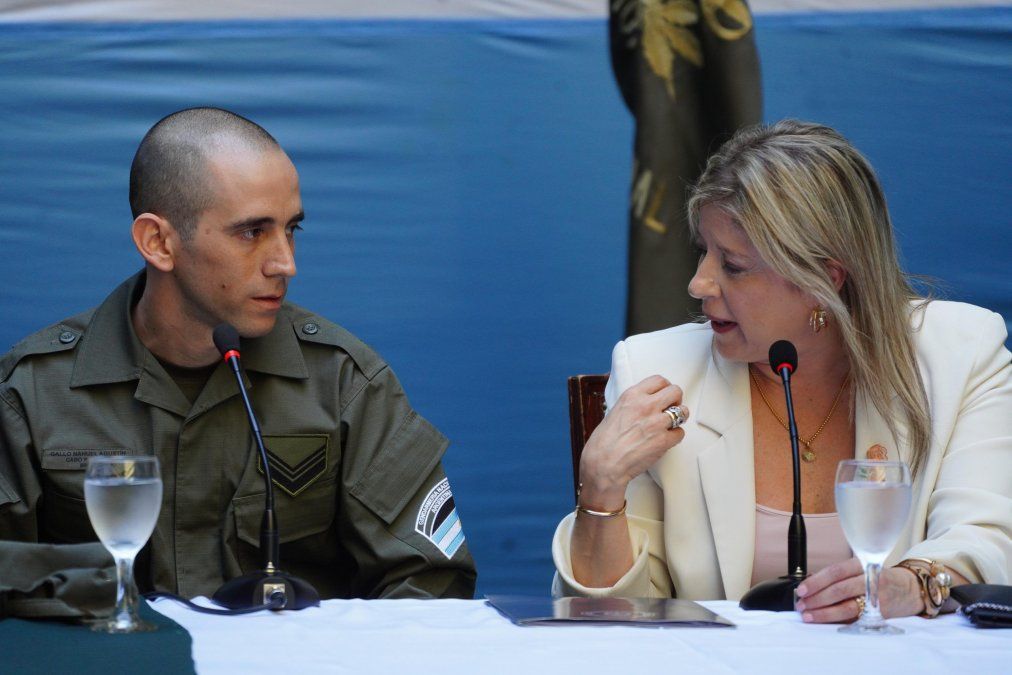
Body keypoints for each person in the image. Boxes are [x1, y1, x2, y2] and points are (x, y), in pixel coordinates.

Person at [0, 108, 476, 616]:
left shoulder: (341, 382)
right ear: (158, 242)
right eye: (252, 232)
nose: (285, 263)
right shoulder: (32, 392)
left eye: (291, 229)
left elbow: (430, 586)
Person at [552, 120, 1011, 622]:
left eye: (733, 264)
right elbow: (614, 616)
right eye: (704, 252)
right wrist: (599, 485)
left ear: (825, 281)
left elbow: (990, 538)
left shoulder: (962, 356)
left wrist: (914, 583)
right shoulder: (657, 372)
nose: (698, 284)